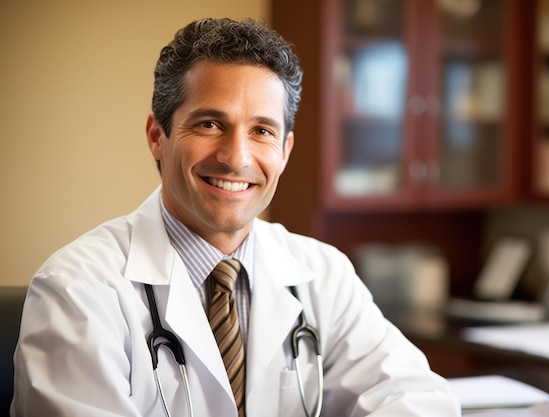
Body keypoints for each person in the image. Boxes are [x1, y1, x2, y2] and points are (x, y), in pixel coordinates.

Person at [11, 17, 461, 417]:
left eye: (262, 131)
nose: (236, 157)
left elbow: (416, 398)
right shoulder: (77, 289)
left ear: (284, 152)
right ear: (157, 136)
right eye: (209, 124)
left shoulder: (322, 274)